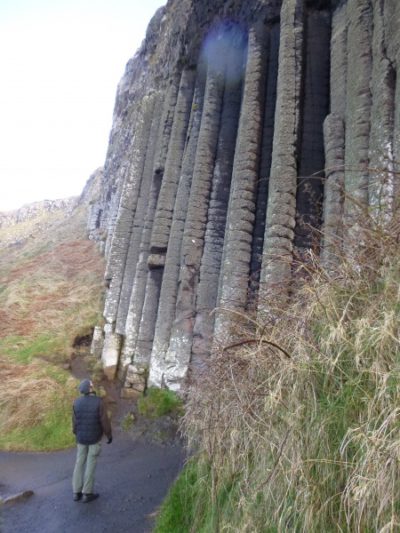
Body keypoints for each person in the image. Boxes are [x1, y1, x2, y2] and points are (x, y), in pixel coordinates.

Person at [72, 379, 112, 503]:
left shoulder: (76, 402)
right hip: (94, 438)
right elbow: (104, 421)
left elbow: (74, 422)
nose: (92, 386)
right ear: (89, 389)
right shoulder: (98, 402)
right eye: (91, 385)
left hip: (81, 438)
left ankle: (76, 492)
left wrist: (76, 433)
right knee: (90, 463)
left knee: (79, 462)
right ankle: (87, 493)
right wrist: (109, 435)